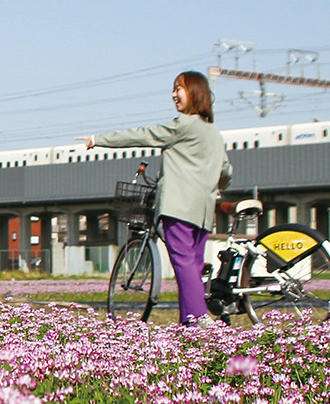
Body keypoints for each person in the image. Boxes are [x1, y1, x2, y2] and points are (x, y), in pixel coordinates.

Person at [78, 71, 232, 325]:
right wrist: (213, 185)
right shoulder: (212, 132)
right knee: (191, 267)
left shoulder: (184, 125)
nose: (174, 95)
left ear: (194, 93)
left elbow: (143, 134)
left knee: (182, 264)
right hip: (203, 211)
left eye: (179, 89)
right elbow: (226, 171)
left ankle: (200, 317)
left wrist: (98, 140)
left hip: (178, 207)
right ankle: (189, 324)